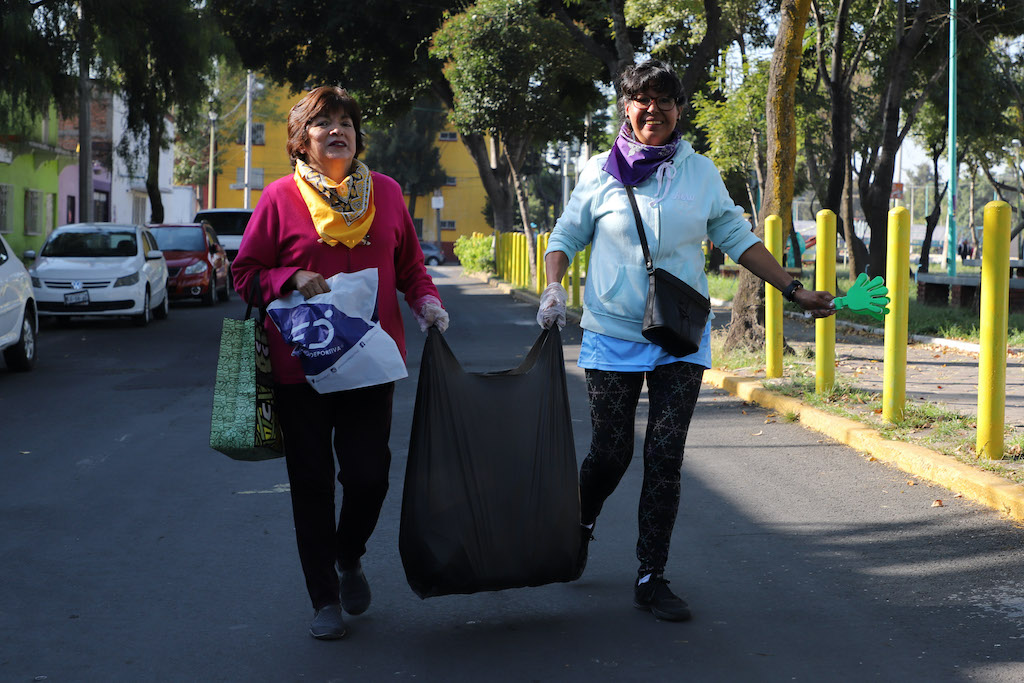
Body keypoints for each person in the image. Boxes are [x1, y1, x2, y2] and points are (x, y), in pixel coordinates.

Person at [538, 60, 835, 622]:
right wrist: (553, 286)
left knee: (665, 455)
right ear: (626, 107)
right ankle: (579, 521)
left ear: (678, 110)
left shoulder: (699, 172)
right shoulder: (599, 172)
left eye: (665, 102)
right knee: (611, 451)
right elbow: (566, 234)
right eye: (642, 101)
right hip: (611, 333)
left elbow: (735, 236)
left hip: (680, 334)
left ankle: (651, 574)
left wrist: (794, 290)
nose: (654, 111)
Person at [232, 86, 449, 640]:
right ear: (301, 142)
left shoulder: (390, 195)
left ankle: (347, 555)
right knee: (310, 483)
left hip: (370, 364)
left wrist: (427, 301)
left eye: (346, 120)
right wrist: (290, 277)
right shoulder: (280, 198)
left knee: (369, 477)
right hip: (299, 369)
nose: (337, 129)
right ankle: (323, 598)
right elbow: (245, 275)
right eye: (322, 122)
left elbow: (410, 269)